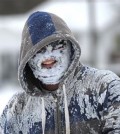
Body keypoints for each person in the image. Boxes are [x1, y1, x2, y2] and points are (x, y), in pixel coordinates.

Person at [0, 11, 120, 134]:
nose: (48, 56)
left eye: (57, 46)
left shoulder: (105, 89)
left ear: (70, 47)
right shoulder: (16, 109)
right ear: (27, 57)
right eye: (39, 49)